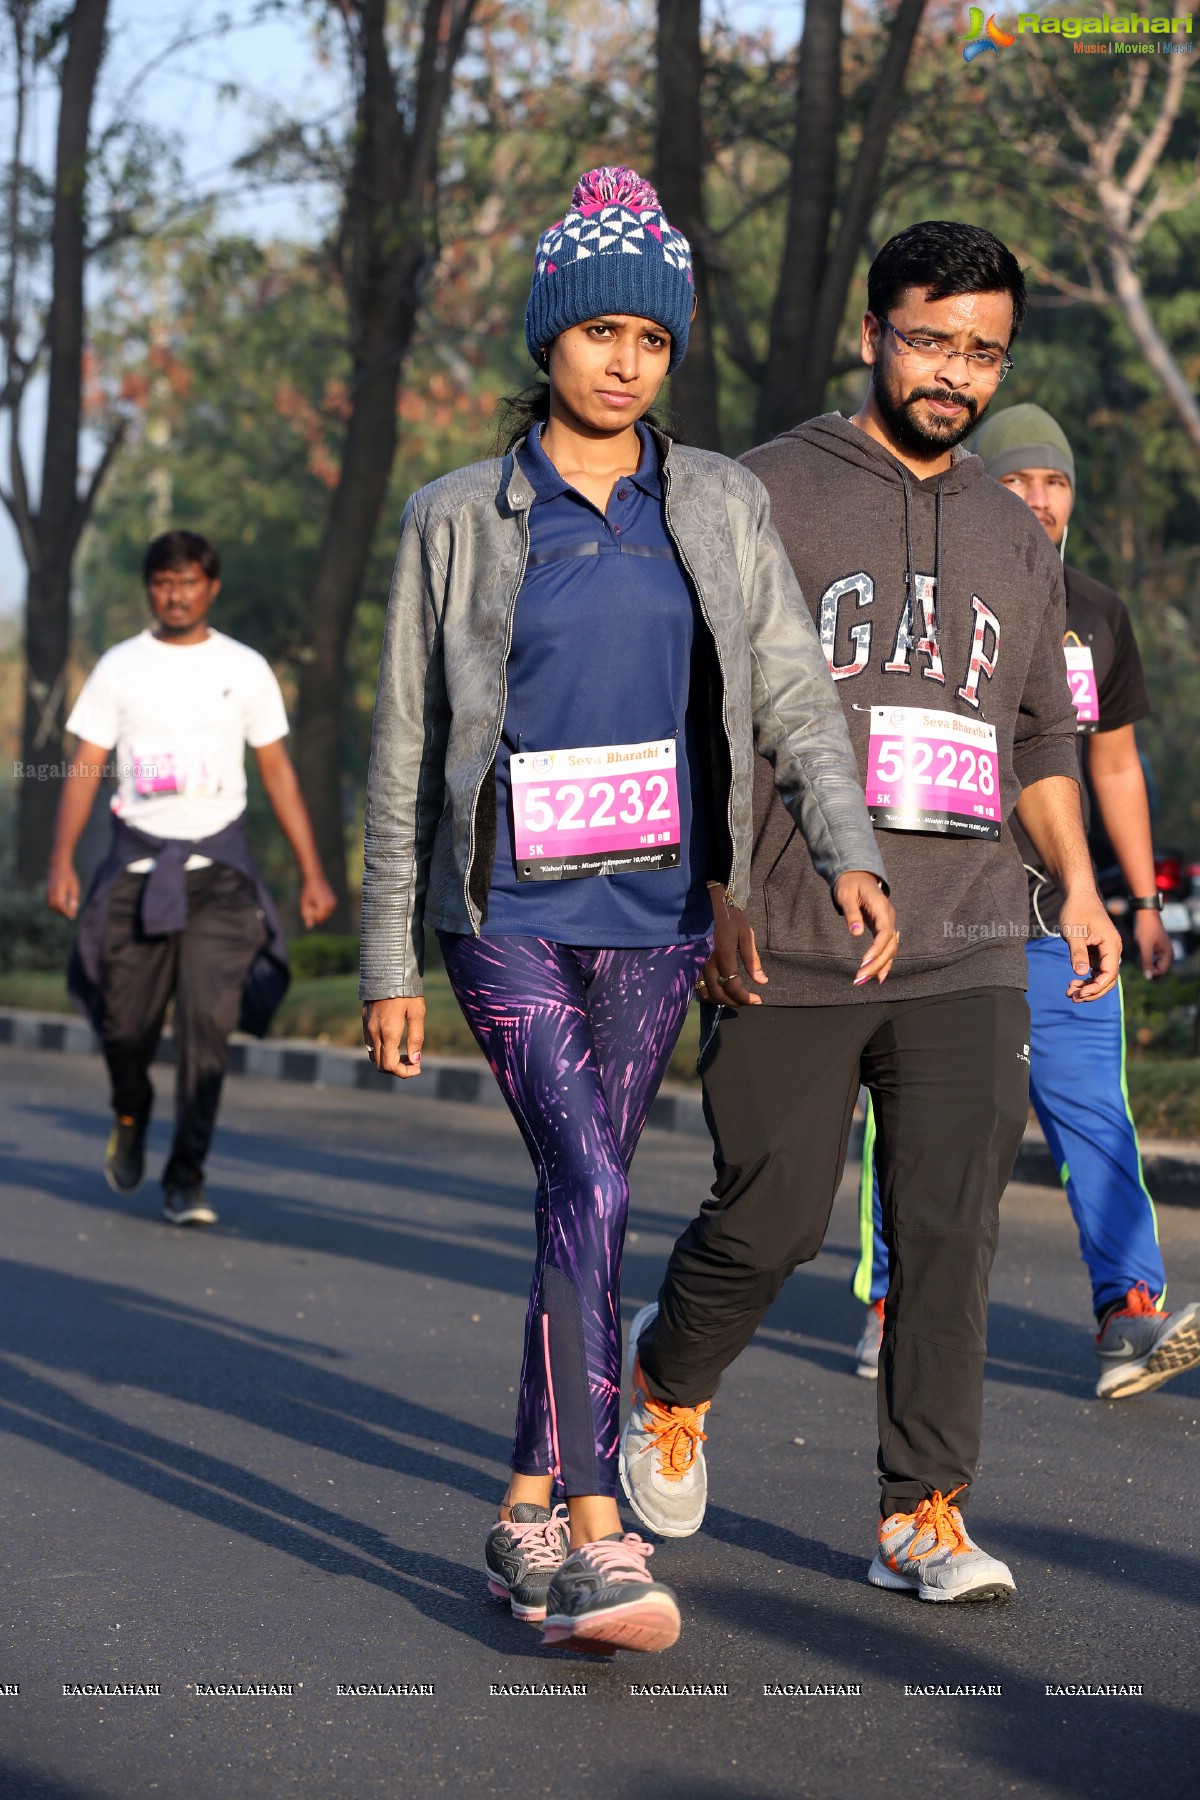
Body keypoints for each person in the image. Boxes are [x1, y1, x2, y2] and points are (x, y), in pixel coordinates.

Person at [359, 166, 895, 1656]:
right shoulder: (457, 515)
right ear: (550, 342)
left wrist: (844, 847)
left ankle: (523, 1503)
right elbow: (405, 742)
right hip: (509, 905)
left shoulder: (715, 501)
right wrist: (389, 957)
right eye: (599, 333)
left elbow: (789, 687)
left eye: (651, 342)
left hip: (656, 911)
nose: (624, 361)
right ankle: (598, 1536)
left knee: (573, 1198)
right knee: (591, 1178)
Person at [619, 220, 1124, 1605]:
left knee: (949, 1230)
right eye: (932, 338)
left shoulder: (1017, 538)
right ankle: (668, 1375)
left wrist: (1077, 888)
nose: (955, 372)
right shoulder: (761, 490)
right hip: (790, 927)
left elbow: (1037, 740)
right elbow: (693, 707)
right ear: (872, 334)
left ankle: (926, 1511)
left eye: (984, 352)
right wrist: (710, 885)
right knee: (774, 1216)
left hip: (967, 931)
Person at [851, 404, 1200, 1400]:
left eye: (1058, 484)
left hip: (1061, 915)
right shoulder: (932, 601)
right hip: (941, 910)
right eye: (1020, 481)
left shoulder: (1096, 613)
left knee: (1094, 1109)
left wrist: (1134, 898)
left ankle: (1128, 1311)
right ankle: (892, 1300)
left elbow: (1116, 767)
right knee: (918, 1117)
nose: (1042, 501)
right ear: (978, 485)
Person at [48, 529, 336, 1226]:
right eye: (162, 582)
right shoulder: (119, 668)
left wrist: (312, 872)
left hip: (219, 874)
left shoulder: (246, 668)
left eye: (188, 581)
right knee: (125, 1028)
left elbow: (276, 773)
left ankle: (188, 1176)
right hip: (137, 867)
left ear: (211, 586)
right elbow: (85, 767)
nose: (175, 594)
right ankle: (131, 1106)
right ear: (151, 589)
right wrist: (61, 860)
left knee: (208, 1026)